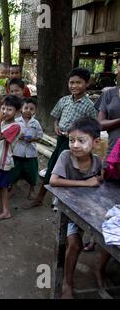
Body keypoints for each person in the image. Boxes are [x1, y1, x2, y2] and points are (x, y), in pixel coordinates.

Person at [25, 68, 98, 209]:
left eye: (79, 82)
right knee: (53, 166)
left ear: (87, 83)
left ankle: (62, 202)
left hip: (75, 145)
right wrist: (57, 126)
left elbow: (92, 128)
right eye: (71, 82)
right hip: (61, 140)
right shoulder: (64, 100)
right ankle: (41, 197)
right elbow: (56, 118)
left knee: (68, 171)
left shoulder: (90, 106)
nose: (74, 86)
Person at [49, 117, 103, 299]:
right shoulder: (65, 156)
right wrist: (86, 184)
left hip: (86, 210)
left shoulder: (97, 162)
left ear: (96, 143)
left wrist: (97, 181)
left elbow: (100, 182)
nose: (75, 145)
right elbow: (54, 181)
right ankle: (67, 283)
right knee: (75, 244)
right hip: (66, 210)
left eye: (81, 140)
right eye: (72, 140)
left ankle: (99, 269)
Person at [93, 62, 120, 286]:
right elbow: (100, 124)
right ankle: (94, 241)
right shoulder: (109, 93)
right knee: (101, 205)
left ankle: (103, 261)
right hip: (110, 156)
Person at [0, 95, 22, 221]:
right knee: (2, 187)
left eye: (9, 109)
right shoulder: (2, 122)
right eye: (3, 108)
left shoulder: (15, 126)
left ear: (17, 112)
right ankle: (6, 211)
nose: (4, 112)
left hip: (3, 163)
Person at [9, 98, 43, 199]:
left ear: (35, 110)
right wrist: (17, 136)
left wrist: (33, 139)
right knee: (14, 172)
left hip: (30, 153)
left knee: (32, 173)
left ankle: (32, 191)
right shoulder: (16, 121)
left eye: (31, 109)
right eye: (26, 108)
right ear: (21, 109)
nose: (28, 110)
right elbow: (10, 134)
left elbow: (40, 137)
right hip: (17, 152)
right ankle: (13, 188)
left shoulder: (36, 123)